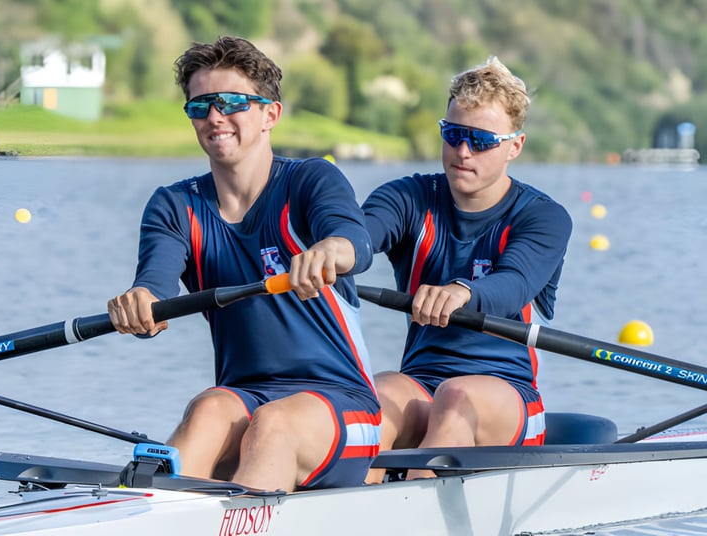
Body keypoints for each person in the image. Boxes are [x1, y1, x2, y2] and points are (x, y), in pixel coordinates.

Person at [107, 36, 380, 493]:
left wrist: (328, 252)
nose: (215, 117)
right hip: (242, 397)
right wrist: (141, 304)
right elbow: (155, 284)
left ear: (270, 113)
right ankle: (140, 512)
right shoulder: (175, 205)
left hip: (344, 407)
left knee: (274, 424)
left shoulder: (310, 180)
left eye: (231, 102)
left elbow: (357, 243)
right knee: (208, 408)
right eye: (200, 106)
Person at [362, 56, 572, 482]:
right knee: (373, 395)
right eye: (454, 135)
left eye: (481, 141)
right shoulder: (409, 198)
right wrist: (331, 251)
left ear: (515, 145)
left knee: (456, 397)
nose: (462, 152)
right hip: (419, 381)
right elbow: (359, 236)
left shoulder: (544, 218)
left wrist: (462, 291)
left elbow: (512, 285)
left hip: (507, 395)